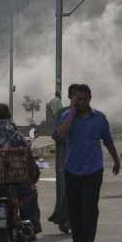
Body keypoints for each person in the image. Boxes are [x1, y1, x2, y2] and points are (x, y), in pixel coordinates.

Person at [57, 84, 120, 242]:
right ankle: (77, 240)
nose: (82, 102)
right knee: (75, 207)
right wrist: (71, 112)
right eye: (79, 99)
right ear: (74, 99)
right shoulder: (66, 116)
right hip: (73, 169)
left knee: (91, 206)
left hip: (94, 168)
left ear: (90, 98)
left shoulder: (99, 118)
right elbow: (61, 135)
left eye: (85, 99)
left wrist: (116, 160)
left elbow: (108, 140)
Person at [0, 103, 42, 236]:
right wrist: (31, 177)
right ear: (9, 116)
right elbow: (28, 159)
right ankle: (31, 227)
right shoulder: (16, 135)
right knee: (30, 194)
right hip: (14, 179)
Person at [48, 83, 78, 234]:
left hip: (83, 161)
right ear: (69, 97)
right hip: (66, 158)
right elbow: (56, 135)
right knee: (66, 191)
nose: (77, 99)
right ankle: (65, 220)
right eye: (74, 96)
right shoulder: (62, 112)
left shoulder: (89, 114)